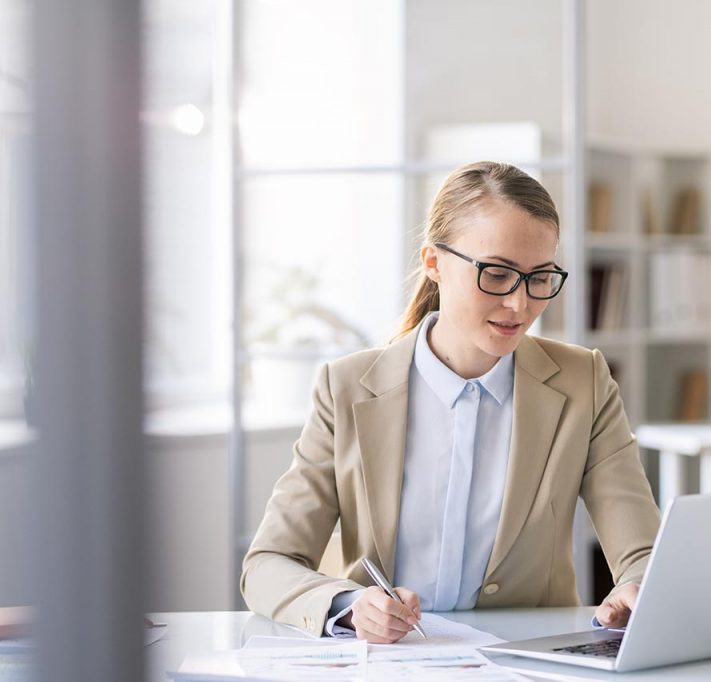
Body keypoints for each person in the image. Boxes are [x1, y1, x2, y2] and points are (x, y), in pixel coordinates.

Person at [240, 161, 661, 643]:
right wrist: (350, 606)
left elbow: (643, 552)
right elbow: (269, 563)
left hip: (527, 663)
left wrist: (637, 587)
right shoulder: (348, 387)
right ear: (434, 262)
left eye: (540, 277)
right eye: (497, 274)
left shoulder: (582, 381)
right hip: (387, 664)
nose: (520, 305)